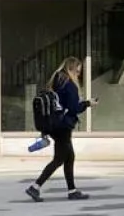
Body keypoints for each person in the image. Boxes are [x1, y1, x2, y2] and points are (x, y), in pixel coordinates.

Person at [27, 56, 90, 202]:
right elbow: (74, 108)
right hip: (63, 126)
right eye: (78, 71)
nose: (79, 75)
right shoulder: (69, 85)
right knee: (59, 159)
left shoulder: (56, 80)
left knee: (69, 157)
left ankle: (72, 190)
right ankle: (35, 187)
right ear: (72, 69)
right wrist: (87, 103)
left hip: (53, 125)